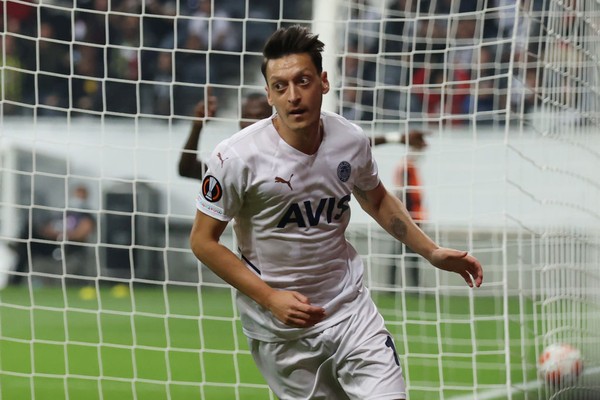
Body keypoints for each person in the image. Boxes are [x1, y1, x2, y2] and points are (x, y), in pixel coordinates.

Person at [189, 25, 483, 399]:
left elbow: (375, 198)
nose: (293, 96)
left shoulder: (351, 140)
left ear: (324, 82)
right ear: (269, 94)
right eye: (281, 86)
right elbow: (202, 241)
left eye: (303, 81)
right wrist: (270, 297)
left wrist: (432, 251)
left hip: (349, 311)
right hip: (280, 328)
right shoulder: (234, 157)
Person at [9, 185, 96, 286]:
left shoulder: (86, 215)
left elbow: (81, 234)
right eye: (76, 194)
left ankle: (18, 247)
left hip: (69, 246)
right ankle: (20, 249)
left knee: (26, 243)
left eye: (81, 195)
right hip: (52, 242)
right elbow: (49, 226)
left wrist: (63, 234)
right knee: (28, 232)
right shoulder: (65, 212)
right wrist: (50, 232)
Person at [178, 91, 272, 180]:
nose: (253, 123)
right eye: (247, 116)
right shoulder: (228, 158)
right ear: (239, 120)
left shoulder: (283, 155)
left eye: (260, 116)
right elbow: (187, 170)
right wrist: (197, 126)